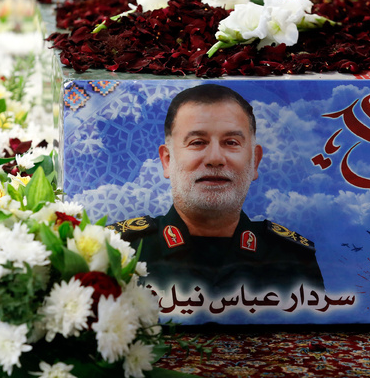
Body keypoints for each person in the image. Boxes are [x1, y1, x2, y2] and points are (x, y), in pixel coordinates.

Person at [109, 84, 324, 298]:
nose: (215, 159)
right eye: (197, 142)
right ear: (167, 161)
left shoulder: (295, 258)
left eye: (231, 142)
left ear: (255, 161)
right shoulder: (117, 250)